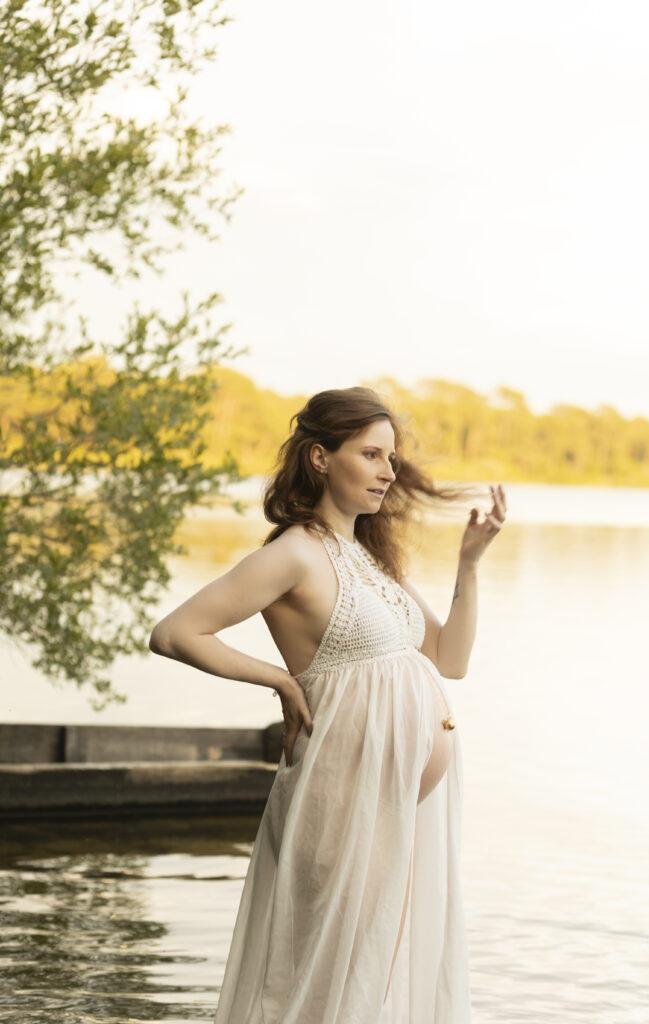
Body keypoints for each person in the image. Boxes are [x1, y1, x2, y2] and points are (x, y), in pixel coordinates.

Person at [149, 386, 507, 1023]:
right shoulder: (293, 554)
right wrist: (281, 682)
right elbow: (176, 632)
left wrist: (470, 564)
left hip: (391, 801)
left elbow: (449, 658)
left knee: (366, 977)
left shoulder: (372, 561)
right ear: (320, 457)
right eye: (370, 455)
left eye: (390, 458)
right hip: (340, 796)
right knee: (320, 983)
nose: (387, 471)